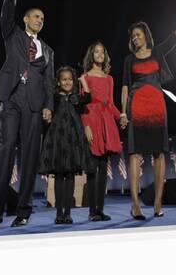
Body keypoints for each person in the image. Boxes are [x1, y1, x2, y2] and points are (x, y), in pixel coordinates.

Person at [0, 0, 55, 231]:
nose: (40, 20)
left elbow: (49, 82)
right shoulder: (12, 34)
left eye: (43, 18)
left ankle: (23, 210)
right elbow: (5, 14)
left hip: (35, 106)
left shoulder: (48, 51)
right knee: (5, 153)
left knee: (29, 159)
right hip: (11, 100)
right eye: (36, 16)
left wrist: (49, 105)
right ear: (25, 18)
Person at [120, 0, 176, 219]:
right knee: (134, 154)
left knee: (159, 154)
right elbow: (124, 87)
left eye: (139, 34)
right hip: (136, 107)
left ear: (146, 36)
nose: (135, 37)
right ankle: (135, 204)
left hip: (157, 107)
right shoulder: (128, 60)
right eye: (133, 35)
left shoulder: (158, 52)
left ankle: (158, 203)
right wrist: (123, 112)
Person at [38, 66, 92, 224]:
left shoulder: (76, 98)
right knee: (59, 176)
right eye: (64, 79)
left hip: (73, 141)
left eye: (70, 79)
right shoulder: (54, 98)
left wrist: (83, 81)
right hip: (57, 140)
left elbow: (88, 98)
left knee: (70, 176)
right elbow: (47, 111)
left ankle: (68, 213)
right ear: (59, 82)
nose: (67, 82)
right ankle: (59, 213)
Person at [80, 42, 123, 221]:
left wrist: (121, 116)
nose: (99, 54)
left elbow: (111, 104)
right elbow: (82, 105)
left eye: (102, 52)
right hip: (91, 120)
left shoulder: (109, 78)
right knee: (92, 168)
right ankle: (91, 212)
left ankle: (100, 209)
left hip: (106, 122)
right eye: (96, 52)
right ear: (91, 55)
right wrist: (86, 126)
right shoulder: (85, 77)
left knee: (104, 168)